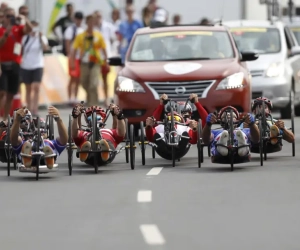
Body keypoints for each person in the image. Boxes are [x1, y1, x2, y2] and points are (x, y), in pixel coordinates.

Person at [0, 7, 32, 120]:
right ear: (4, 17)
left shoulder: (18, 29)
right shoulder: (2, 30)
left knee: (10, 94)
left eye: (12, 16)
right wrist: (7, 31)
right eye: (8, 16)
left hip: (15, 64)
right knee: (2, 92)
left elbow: (29, 29)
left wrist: (24, 18)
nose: (10, 18)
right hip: (2, 65)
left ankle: (5, 118)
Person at [71, 14, 108, 106]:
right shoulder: (81, 36)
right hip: (84, 62)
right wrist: (72, 62)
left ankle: (93, 104)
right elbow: (74, 49)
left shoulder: (98, 35)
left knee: (93, 84)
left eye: (93, 22)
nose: (91, 24)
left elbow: (104, 49)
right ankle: (90, 98)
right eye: (89, 22)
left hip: (95, 62)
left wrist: (106, 61)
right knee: (84, 82)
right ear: (86, 23)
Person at [21, 20, 49, 117]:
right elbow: (20, 49)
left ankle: (35, 108)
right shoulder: (25, 38)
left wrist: (41, 37)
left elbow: (45, 48)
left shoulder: (41, 37)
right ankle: (28, 108)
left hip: (38, 65)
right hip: (26, 65)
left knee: (36, 87)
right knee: (28, 88)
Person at [94, 11, 116, 107]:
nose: (98, 18)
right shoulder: (92, 28)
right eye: (96, 17)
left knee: (105, 78)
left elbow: (112, 39)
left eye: (99, 16)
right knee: (94, 80)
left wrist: (109, 52)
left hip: (104, 56)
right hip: (94, 57)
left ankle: (106, 98)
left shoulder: (108, 26)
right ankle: (95, 98)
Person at [64, 11, 84, 104]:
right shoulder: (71, 29)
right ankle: (69, 97)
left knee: (78, 78)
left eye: (80, 19)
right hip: (73, 56)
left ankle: (75, 97)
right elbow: (67, 43)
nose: (79, 20)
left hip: (80, 57)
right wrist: (70, 56)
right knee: (72, 77)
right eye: (77, 18)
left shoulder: (83, 30)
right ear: (74, 19)